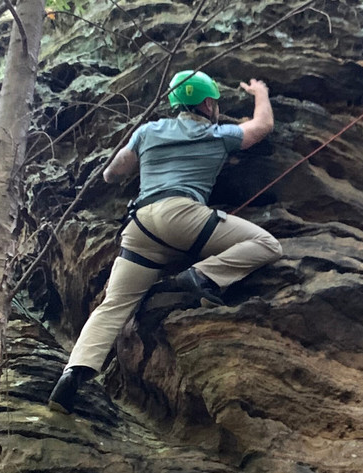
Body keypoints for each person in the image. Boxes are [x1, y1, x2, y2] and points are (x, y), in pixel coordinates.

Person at [49, 69, 283, 413]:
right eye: (214, 101)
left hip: (141, 226)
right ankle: (201, 277)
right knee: (267, 245)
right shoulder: (218, 134)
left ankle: (73, 374)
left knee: (114, 305)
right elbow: (261, 127)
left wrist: (143, 147)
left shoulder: (149, 131)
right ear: (207, 103)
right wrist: (260, 91)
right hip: (183, 217)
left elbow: (111, 173)